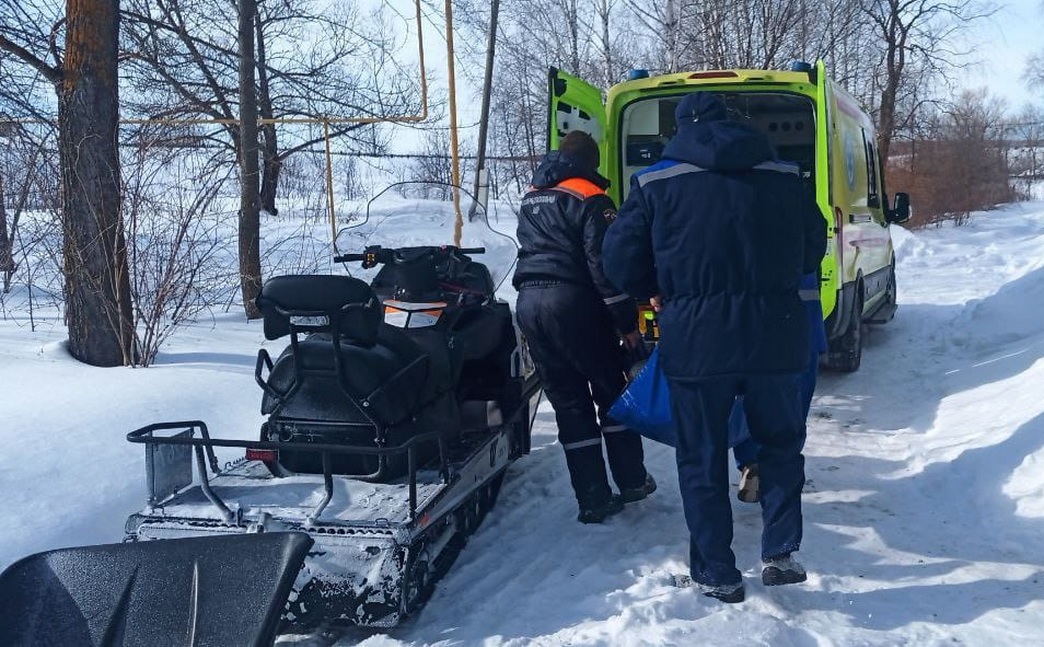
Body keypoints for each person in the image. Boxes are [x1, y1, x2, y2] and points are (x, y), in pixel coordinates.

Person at [603, 93, 827, 602]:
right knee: (781, 444)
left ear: (679, 130)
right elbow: (814, 243)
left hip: (697, 340)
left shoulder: (656, 181)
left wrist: (653, 286)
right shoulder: (786, 175)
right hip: (777, 334)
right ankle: (780, 552)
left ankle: (717, 572)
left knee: (701, 455)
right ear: (733, 122)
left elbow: (618, 258)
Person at [513, 130, 657, 524]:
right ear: (591, 163)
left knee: (569, 403)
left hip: (529, 304)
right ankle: (631, 482)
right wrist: (626, 323)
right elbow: (603, 266)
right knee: (612, 393)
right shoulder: (591, 197)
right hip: (573, 303)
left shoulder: (532, 196)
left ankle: (592, 499)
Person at [730, 271, 827, 503]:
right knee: (795, 400)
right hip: (802, 319)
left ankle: (752, 462)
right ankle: (782, 466)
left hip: (754, 323)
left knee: (751, 397)